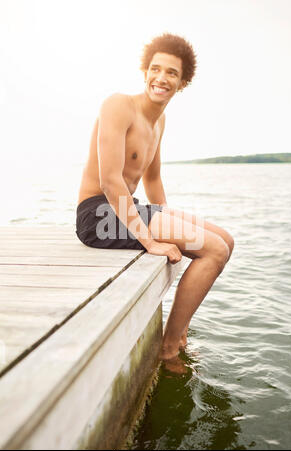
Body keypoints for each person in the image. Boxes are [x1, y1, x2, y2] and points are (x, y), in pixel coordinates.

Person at [76, 33, 234, 372]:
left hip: (126, 209)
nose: (161, 78)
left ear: (183, 82)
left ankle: (180, 328)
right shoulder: (119, 105)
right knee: (214, 250)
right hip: (97, 214)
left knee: (226, 241)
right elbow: (109, 179)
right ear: (145, 71)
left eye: (171, 73)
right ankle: (168, 348)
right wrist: (150, 239)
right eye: (155, 69)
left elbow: (152, 179)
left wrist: (168, 220)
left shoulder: (158, 121)